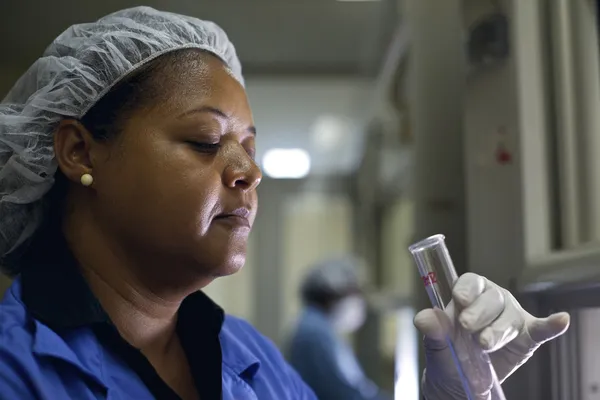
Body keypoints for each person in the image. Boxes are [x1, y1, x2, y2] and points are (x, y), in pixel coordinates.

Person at [0, 6, 570, 400]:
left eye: (250, 147)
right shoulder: (16, 368)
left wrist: (455, 392)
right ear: (79, 152)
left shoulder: (247, 356)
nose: (249, 172)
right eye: (205, 142)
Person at [287, 256, 392, 400]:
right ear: (331, 293)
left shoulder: (318, 328)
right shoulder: (315, 333)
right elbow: (344, 392)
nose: (359, 300)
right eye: (354, 291)